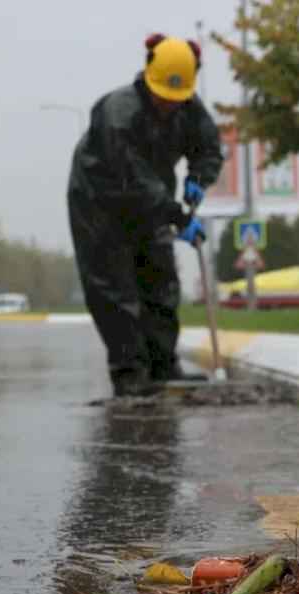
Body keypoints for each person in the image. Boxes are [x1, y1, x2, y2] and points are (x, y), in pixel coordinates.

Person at [67, 35, 224, 397]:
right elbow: (134, 179)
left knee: (160, 280)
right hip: (99, 203)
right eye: (162, 99)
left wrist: (199, 177)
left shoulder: (187, 105)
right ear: (148, 79)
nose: (169, 106)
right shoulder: (117, 114)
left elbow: (208, 148)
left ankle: (163, 365)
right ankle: (130, 373)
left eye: (176, 100)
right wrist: (178, 216)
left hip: (152, 198)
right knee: (115, 288)